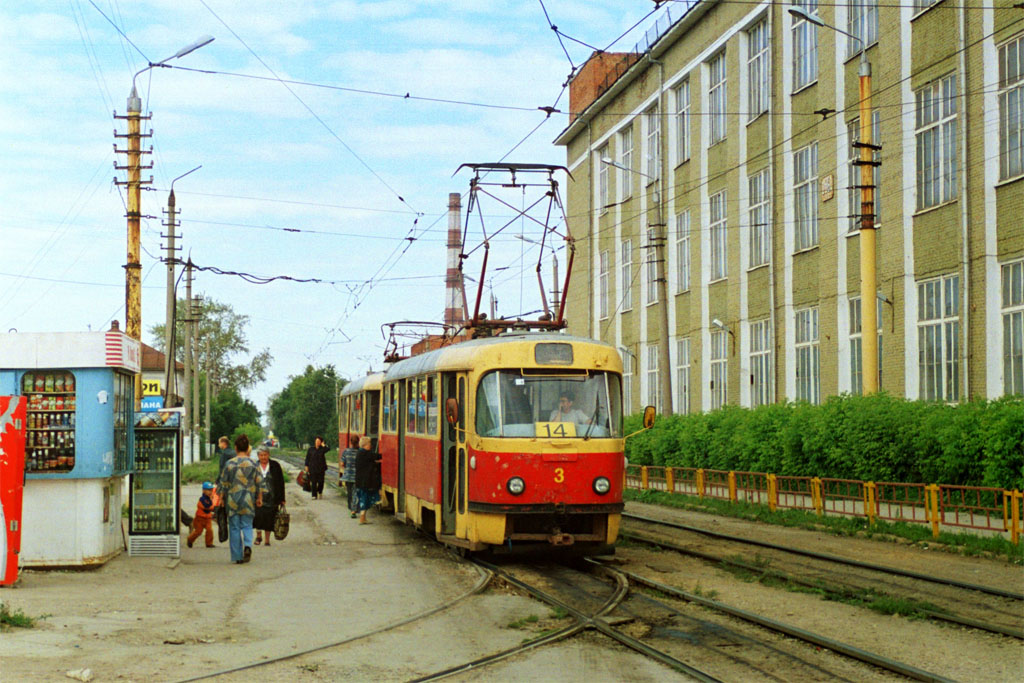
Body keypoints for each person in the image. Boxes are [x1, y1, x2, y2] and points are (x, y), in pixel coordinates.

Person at [216, 434, 265, 564]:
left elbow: (224, 484)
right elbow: (259, 482)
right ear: (247, 447)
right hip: (249, 500)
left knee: (234, 527)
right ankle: (248, 546)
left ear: (236, 448)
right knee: (247, 525)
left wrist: (221, 498)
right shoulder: (254, 464)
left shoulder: (229, 464)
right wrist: (259, 498)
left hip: (232, 501)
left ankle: (237, 556)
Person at [253, 445, 285, 547]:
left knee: (269, 518)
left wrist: (282, 498)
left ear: (268, 455)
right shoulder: (254, 466)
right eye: (261, 455)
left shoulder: (275, 465)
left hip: (272, 497)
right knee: (257, 517)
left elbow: (281, 482)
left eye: (265, 455)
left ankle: (267, 540)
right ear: (258, 456)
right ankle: (258, 536)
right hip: (258, 496)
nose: (263, 457)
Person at [354, 436, 381, 524]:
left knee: (363, 498)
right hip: (365, 481)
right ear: (365, 445)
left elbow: (369, 462)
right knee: (365, 498)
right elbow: (376, 456)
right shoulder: (365, 453)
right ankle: (362, 518)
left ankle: (363, 518)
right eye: (369, 443)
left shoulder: (360, 453)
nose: (371, 445)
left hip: (360, 480)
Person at [186, 481, 217, 548]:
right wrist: (212, 508)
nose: (210, 492)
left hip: (207, 518)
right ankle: (190, 539)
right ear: (203, 490)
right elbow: (205, 507)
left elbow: (211, 506)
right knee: (198, 531)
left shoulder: (210, 499)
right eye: (208, 490)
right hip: (200, 518)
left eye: (211, 490)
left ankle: (209, 543)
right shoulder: (202, 499)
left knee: (209, 530)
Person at [304, 436, 330, 500]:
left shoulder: (322, 449)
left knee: (321, 482)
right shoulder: (311, 449)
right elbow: (307, 458)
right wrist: (306, 466)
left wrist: (323, 445)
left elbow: (328, 449)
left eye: (318, 441)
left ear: (321, 442)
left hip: (321, 468)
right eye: (316, 441)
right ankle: (314, 495)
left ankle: (320, 491)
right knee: (313, 482)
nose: (317, 442)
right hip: (312, 468)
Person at [339, 435, 359, 517]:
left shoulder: (346, 451)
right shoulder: (359, 452)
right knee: (355, 493)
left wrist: (347, 466)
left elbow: (342, 463)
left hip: (348, 476)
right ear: (358, 442)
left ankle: (351, 508)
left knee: (350, 493)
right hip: (356, 476)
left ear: (350, 442)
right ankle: (353, 510)